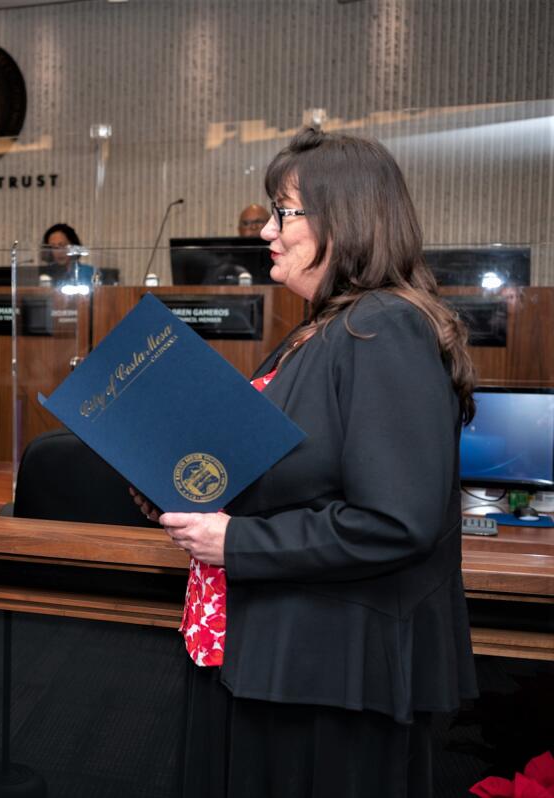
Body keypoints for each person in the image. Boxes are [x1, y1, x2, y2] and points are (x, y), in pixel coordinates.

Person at [135, 127, 478, 797]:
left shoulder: (383, 328)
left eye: (284, 212)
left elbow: (394, 520)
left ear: (346, 218)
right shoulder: (321, 328)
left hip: (333, 672)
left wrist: (236, 539)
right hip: (278, 657)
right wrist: (169, 482)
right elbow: (282, 477)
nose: (267, 230)